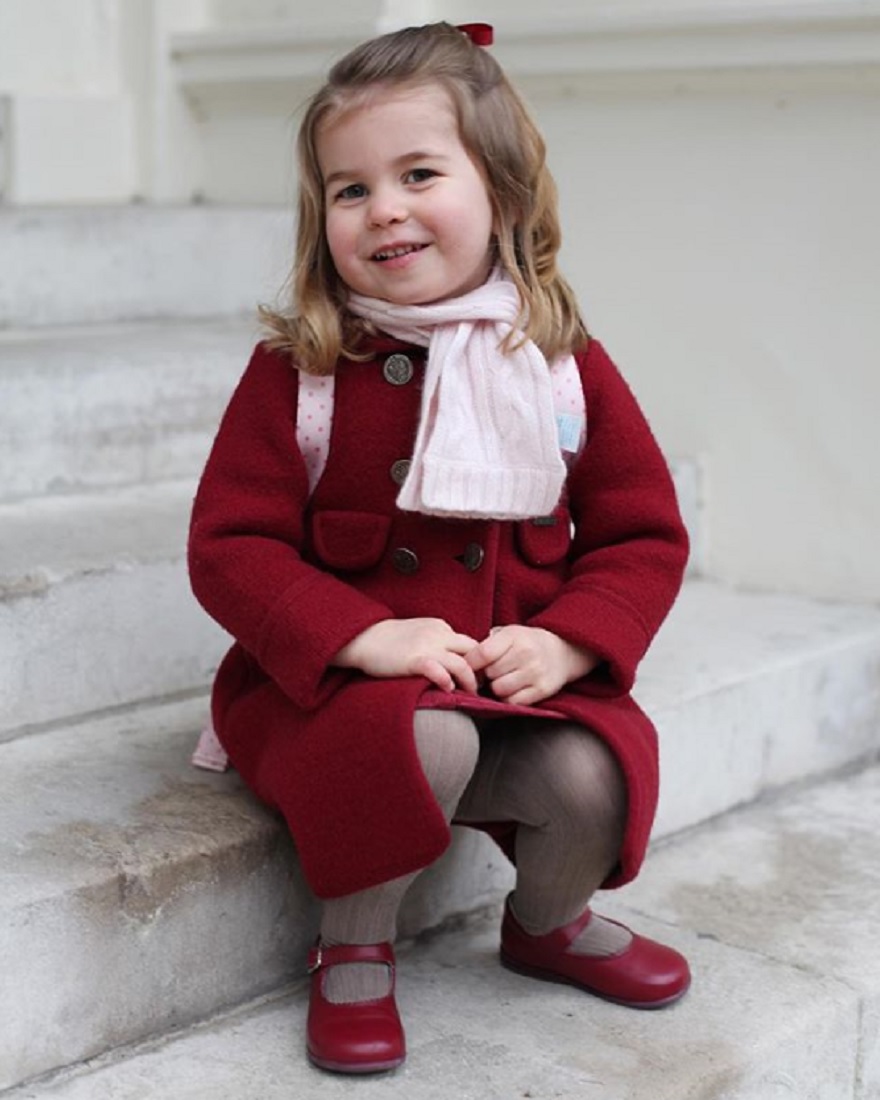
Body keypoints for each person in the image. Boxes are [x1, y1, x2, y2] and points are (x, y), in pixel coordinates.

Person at [188, 20, 691, 1076]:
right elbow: (231, 546)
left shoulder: (556, 363)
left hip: (512, 685)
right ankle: (354, 941)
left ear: (500, 192)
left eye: (419, 172)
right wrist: (361, 635)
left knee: (594, 768)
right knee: (428, 743)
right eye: (349, 188)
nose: (385, 209)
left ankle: (546, 921)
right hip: (344, 695)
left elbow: (642, 532)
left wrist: (567, 645)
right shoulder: (306, 373)